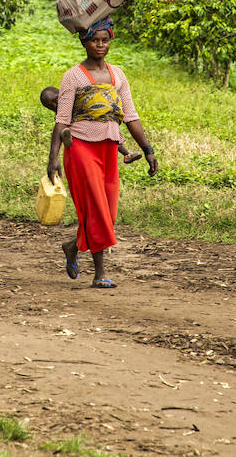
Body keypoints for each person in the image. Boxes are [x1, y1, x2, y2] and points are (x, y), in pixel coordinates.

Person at [47, 18, 157, 288]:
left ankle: (73, 246)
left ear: (110, 42)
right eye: (94, 40)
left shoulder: (118, 75)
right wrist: (52, 159)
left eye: (104, 40)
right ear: (84, 42)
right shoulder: (73, 76)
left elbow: (130, 116)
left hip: (109, 148)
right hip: (81, 147)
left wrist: (148, 150)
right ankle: (100, 273)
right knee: (96, 208)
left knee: (108, 212)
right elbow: (62, 119)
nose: (99, 45)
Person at [39, 86, 140, 164]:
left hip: (94, 124)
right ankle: (68, 138)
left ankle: (127, 154)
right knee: (63, 130)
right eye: (50, 106)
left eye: (55, 100)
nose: (55, 105)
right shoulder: (59, 116)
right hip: (79, 134)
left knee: (112, 136)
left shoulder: (74, 99)